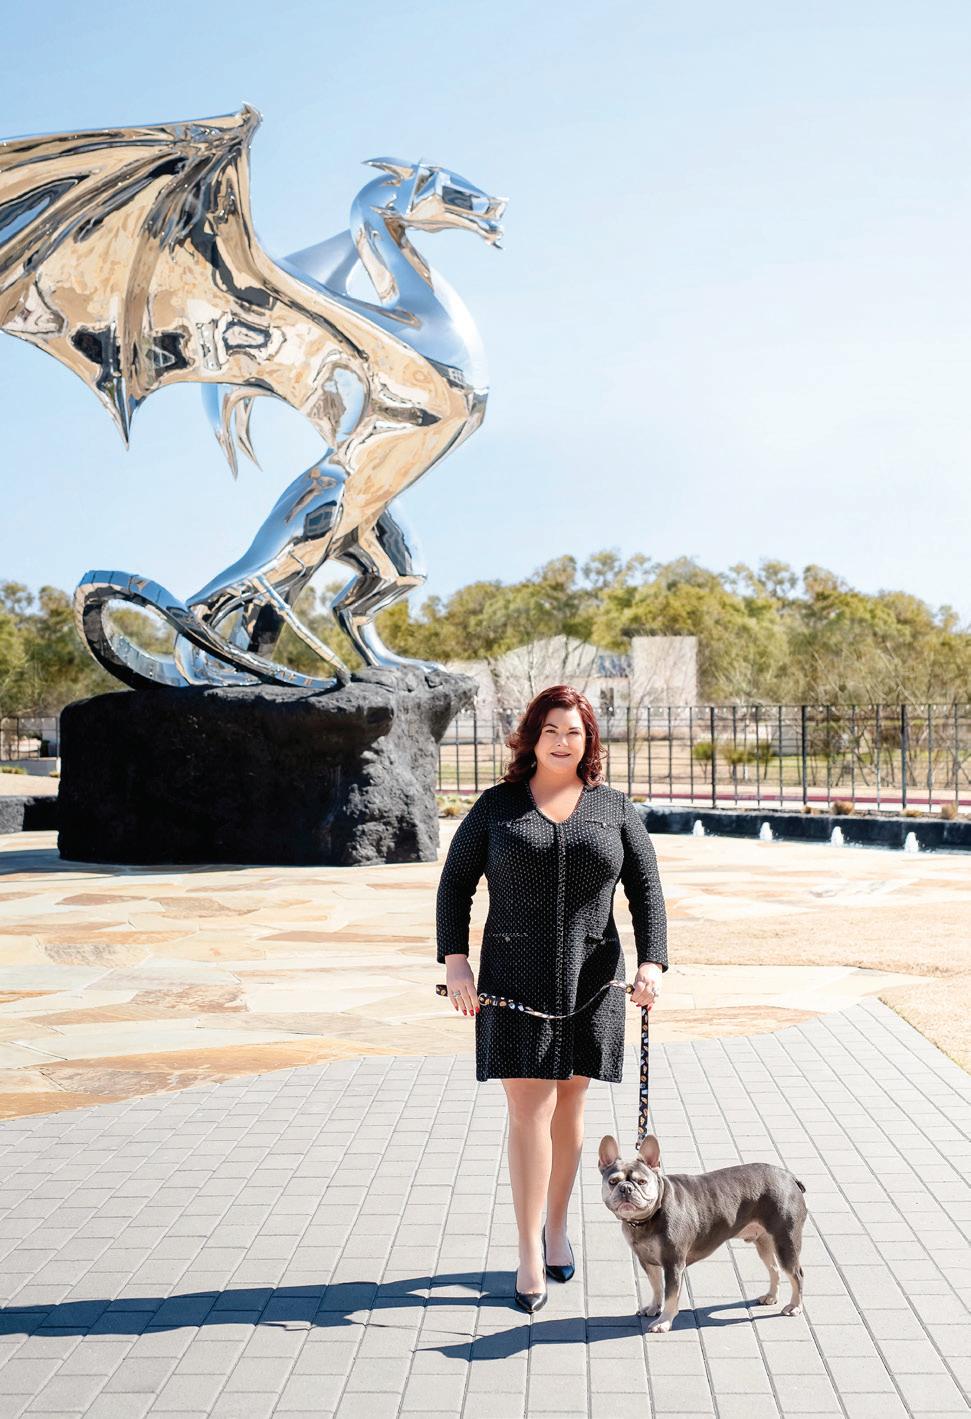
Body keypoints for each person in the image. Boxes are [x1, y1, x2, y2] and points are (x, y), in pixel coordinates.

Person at [435, 684, 668, 1312]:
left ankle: (558, 1226)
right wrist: (455, 960)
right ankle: (528, 1252)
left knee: (570, 1109)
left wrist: (652, 962)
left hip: (594, 981)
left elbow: (647, 890)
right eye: (551, 731)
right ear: (532, 738)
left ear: (589, 740)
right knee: (529, 1111)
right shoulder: (498, 806)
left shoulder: (614, 808)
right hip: (514, 979)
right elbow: (455, 884)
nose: (563, 742)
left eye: (574, 732)